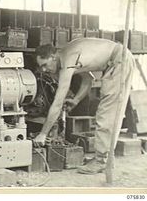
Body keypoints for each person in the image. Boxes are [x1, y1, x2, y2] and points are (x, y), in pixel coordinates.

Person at [33, 38, 135, 174]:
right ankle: (104, 159)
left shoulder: (68, 60)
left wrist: (43, 134)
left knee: (106, 114)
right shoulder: (67, 55)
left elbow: (57, 103)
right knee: (107, 113)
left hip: (119, 61)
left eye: (45, 65)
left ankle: (101, 161)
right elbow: (88, 80)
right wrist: (76, 100)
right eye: (41, 67)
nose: (44, 70)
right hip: (117, 60)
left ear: (52, 57)